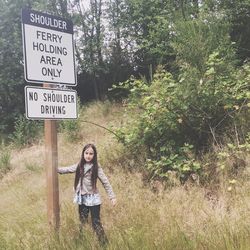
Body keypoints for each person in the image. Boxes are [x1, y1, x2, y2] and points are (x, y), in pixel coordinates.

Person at [58, 143, 116, 245]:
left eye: (91, 154)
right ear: (83, 153)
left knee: (95, 222)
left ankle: (104, 244)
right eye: (86, 153)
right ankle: (81, 241)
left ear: (94, 155)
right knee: (82, 221)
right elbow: (67, 169)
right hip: (82, 198)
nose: (88, 156)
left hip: (93, 199)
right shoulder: (79, 165)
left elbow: (105, 182)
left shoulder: (96, 167)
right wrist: (56, 169)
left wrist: (112, 197)